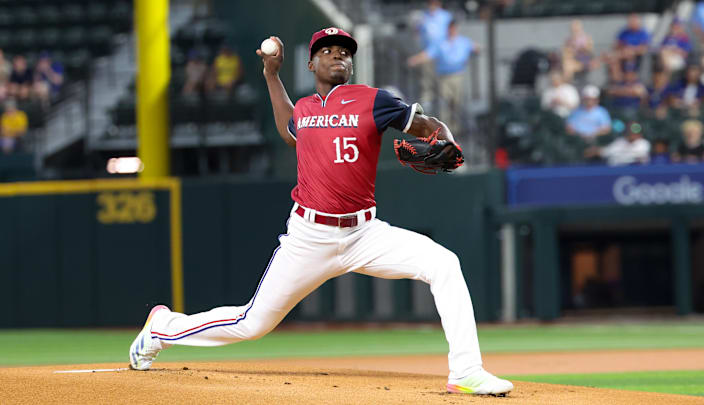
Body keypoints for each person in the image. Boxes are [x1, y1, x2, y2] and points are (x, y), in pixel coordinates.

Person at [128, 27, 514, 397]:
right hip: (309, 237)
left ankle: (465, 371)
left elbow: (430, 126)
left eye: (344, 51)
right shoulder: (306, 109)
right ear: (311, 65)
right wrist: (270, 74)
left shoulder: (374, 100)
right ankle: (162, 327)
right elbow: (288, 128)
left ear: (352, 64)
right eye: (326, 51)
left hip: (365, 234)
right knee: (252, 323)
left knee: (444, 264)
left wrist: (445, 138)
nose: (337, 55)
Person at [408, 20, 479, 133]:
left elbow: (475, 47)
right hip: (444, 77)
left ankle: (455, 129)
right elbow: (428, 54)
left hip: (457, 75)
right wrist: (415, 60)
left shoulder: (463, 42)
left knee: (456, 102)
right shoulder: (441, 42)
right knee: (444, 103)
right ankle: (446, 129)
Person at [410, 0, 452, 112]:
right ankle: (426, 110)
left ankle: (444, 109)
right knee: (426, 83)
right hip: (427, 55)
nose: (432, 5)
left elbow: (451, 35)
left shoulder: (446, 16)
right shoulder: (423, 16)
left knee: (443, 83)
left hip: (443, 55)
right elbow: (417, 32)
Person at [584, 121, 650, 166]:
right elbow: (605, 152)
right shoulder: (620, 142)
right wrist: (595, 151)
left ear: (640, 134)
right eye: (630, 132)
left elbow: (639, 157)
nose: (632, 134)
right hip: (617, 172)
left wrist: (620, 155)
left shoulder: (644, 143)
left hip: (637, 172)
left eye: (635, 133)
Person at [561, 20, 596, 84]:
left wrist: (578, 48)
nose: (574, 30)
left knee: (568, 66)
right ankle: (566, 83)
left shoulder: (587, 38)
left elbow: (589, 51)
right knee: (566, 64)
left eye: (576, 28)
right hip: (573, 60)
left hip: (585, 61)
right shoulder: (569, 40)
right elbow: (566, 52)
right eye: (573, 28)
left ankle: (566, 84)